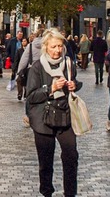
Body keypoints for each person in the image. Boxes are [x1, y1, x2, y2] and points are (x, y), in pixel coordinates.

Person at [24, 28, 81, 197]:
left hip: (65, 116)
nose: (57, 50)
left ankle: (70, 194)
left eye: (60, 46)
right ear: (46, 47)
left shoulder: (69, 63)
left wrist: (74, 85)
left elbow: (75, 81)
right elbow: (31, 96)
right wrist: (51, 88)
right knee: (46, 162)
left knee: (71, 157)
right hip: (43, 119)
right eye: (53, 46)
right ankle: (47, 192)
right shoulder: (37, 67)